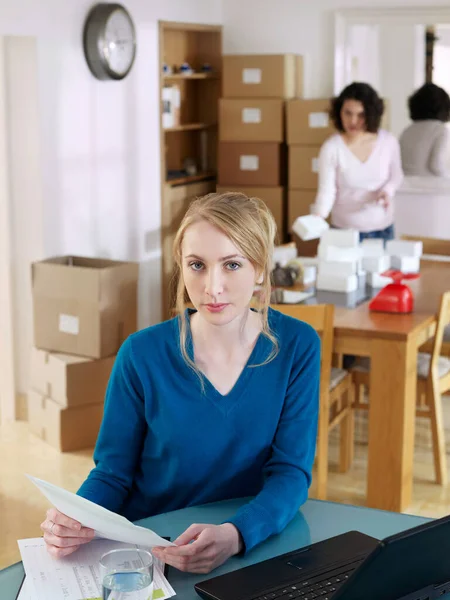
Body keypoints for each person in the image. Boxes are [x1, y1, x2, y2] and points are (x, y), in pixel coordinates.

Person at [40, 192, 320, 574]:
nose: (212, 287)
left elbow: (291, 472)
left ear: (260, 269)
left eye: (232, 265)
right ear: (181, 266)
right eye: (197, 265)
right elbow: (112, 473)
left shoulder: (298, 346)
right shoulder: (141, 354)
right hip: (151, 554)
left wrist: (236, 533)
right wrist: (74, 518)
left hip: (249, 548)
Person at [312, 82, 404, 243]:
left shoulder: (388, 142)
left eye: (360, 115)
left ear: (371, 115)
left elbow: (396, 175)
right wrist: (317, 216)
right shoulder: (332, 148)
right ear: (338, 112)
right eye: (348, 113)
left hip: (382, 230)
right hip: (344, 231)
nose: (353, 121)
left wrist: (387, 191)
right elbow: (327, 190)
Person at [399, 82, 450, 177]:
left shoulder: (407, 130)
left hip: (404, 185)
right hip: (429, 187)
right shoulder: (440, 129)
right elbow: (436, 166)